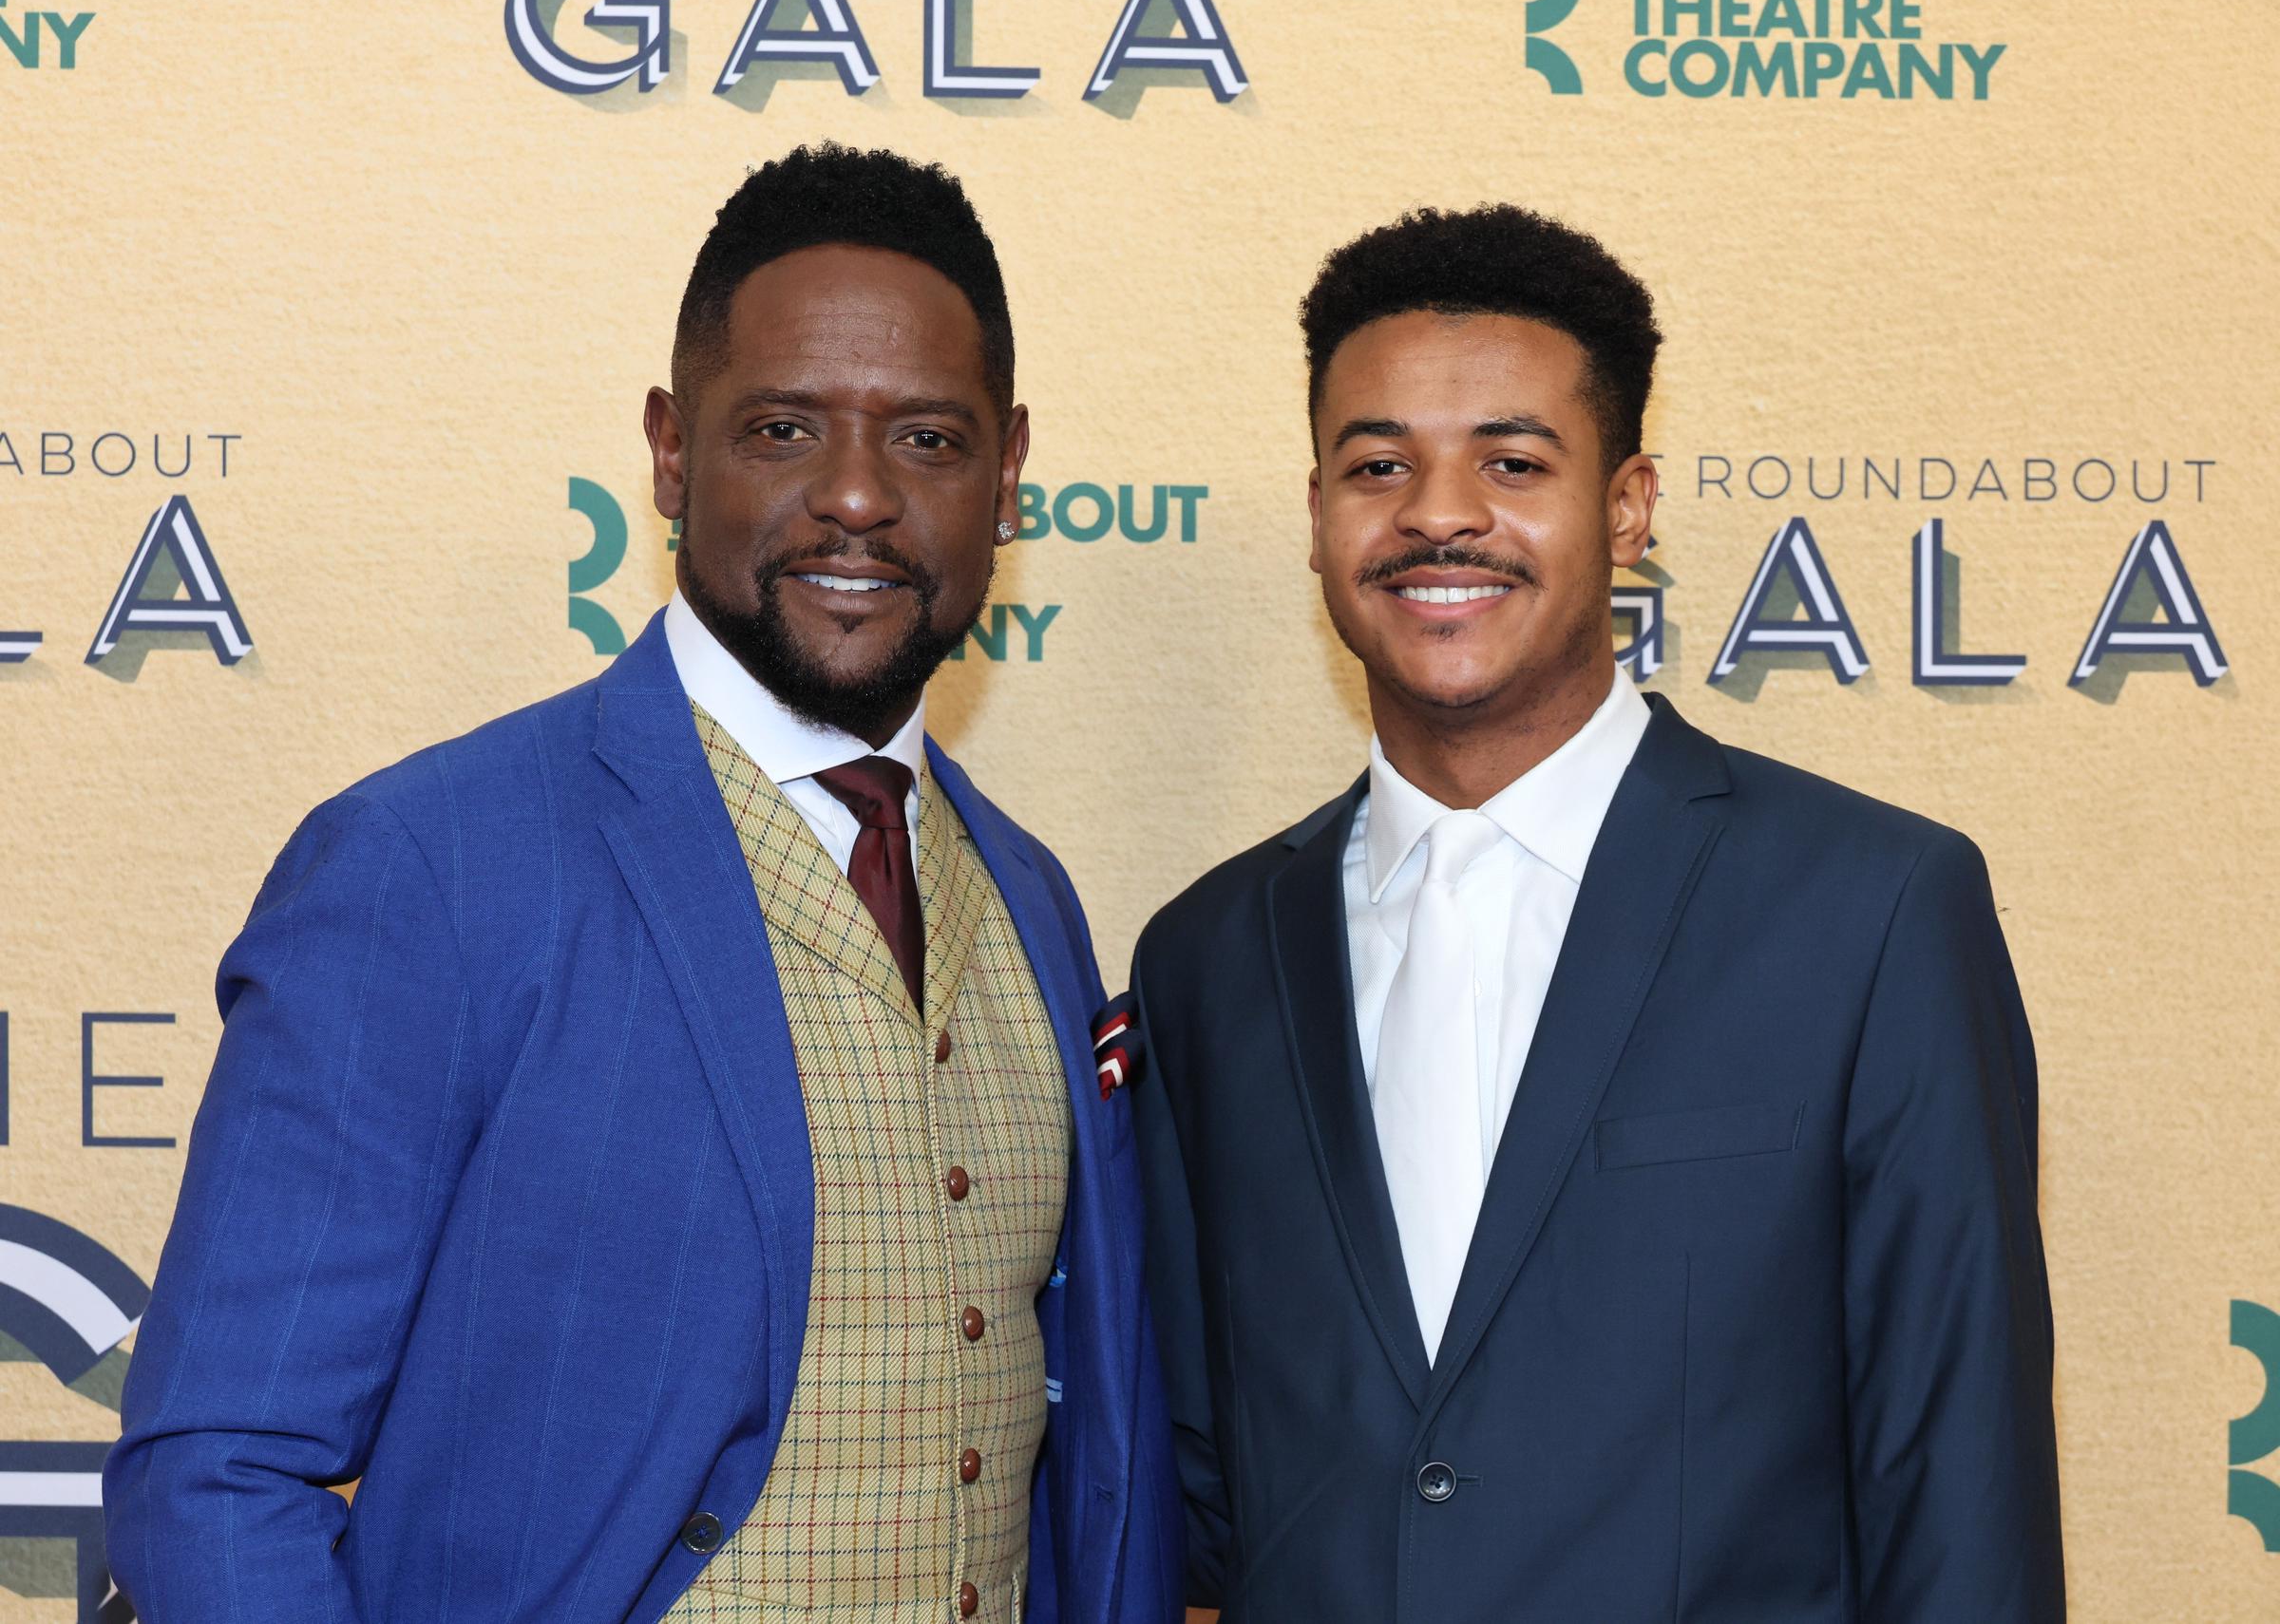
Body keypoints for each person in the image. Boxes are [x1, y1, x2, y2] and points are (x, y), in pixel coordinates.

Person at [106, 142, 1180, 1624]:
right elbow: (222, 1470)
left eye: (927, 441)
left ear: (1007, 477)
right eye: (786, 429)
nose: (857, 498)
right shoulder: (432, 867)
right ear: (675, 454)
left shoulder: (1034, 904)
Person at [1128, 205, 2063, 1620]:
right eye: (1378, 465)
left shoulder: (1870, 914)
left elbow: (1961, 1492)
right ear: (1318, 514)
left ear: (1627, 506)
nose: (1439, 513)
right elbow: (1201, 1492)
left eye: (1512, 462)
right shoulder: (1208, 957)